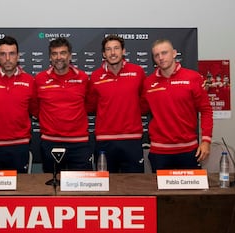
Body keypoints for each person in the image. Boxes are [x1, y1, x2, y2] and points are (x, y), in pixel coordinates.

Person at [141, 39, 213, 171]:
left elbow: (206, 110)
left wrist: (206, 141)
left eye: (164, 53)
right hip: (159, 152)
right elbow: (139, 109)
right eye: (157, 55)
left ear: (174, 53)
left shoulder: (193, 78)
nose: (161, 58)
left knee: (191, 192)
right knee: (161, 192)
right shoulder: (148, 83)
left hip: (189, 150)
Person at [86, 35, 145, 173]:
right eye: (108, 49)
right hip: (104, 141)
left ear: (123, 51)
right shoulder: (95, 76)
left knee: (135, 186)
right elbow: (91, 106)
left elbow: (144, 102)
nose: (113, 53)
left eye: (116, 48)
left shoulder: (137, 72)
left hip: (132, 140)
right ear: (103, 54)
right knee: (105, 188)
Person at [35, 37, 93, 173]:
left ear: (70, 56)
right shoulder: (40, 79)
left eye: (63, 53)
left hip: (79, 143)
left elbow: (90, 105)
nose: (58, 57)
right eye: (54, 54)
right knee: (51, 188)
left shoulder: (83, 78)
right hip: (50, 142)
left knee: (82, 189)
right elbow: (34, 107)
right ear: (50, 57)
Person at [0, 36, 36, 173]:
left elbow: (36, 109)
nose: (7, 58)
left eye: (11, 54)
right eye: (3, 54)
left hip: (19, 146)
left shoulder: (29, 81)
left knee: (19, 191)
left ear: (18, 56)